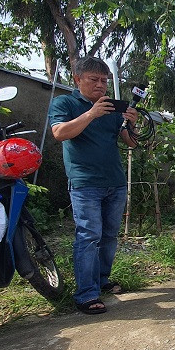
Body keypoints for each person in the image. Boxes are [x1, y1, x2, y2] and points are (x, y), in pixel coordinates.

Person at [48, 56, 140, 315]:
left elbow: (130, 142)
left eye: (104, 81)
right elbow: (60, 133)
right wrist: (90, 113)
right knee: (89, 236)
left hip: (115, 182)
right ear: (78, 80)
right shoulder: (65, 102)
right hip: (85, 182)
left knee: (109, 236)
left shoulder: (110, 109)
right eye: (94, 80)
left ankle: (101, 280)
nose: (100, 85)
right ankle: (86, 294)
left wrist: (130, 122)